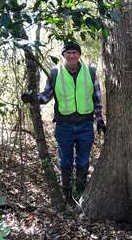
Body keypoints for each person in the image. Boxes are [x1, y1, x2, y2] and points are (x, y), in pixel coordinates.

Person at [21, 41, 106, 206]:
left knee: (83, 162)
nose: (72, 55)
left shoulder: (90, 72)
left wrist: (100, 120)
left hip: (85, 126)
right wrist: (32, 98)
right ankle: (67, 197)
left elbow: (96, 99)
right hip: (64, 127)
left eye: (75, 52)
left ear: (79, 55)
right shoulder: (55, 73)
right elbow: (46, 96)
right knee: (65, 162)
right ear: (64, 56)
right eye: (69, 53)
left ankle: (79, 194)